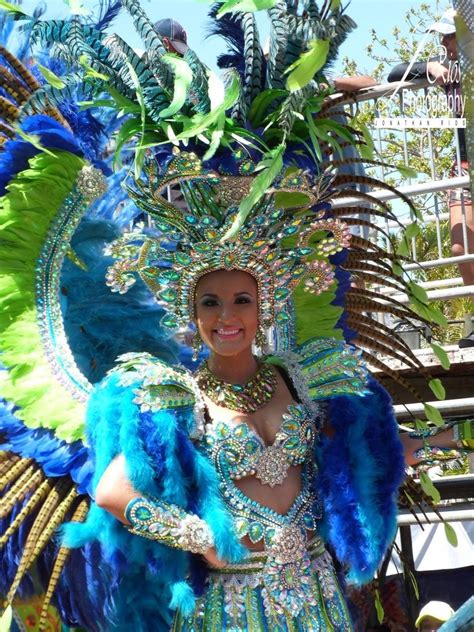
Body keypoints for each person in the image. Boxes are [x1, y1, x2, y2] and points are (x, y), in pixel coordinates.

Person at [388, 7, 474, 348]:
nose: (444, 42)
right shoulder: (447, 65)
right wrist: (429, 68)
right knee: (460, 245)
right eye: (442, 36)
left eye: (450, 35)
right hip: (463, 164)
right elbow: (395, 74)